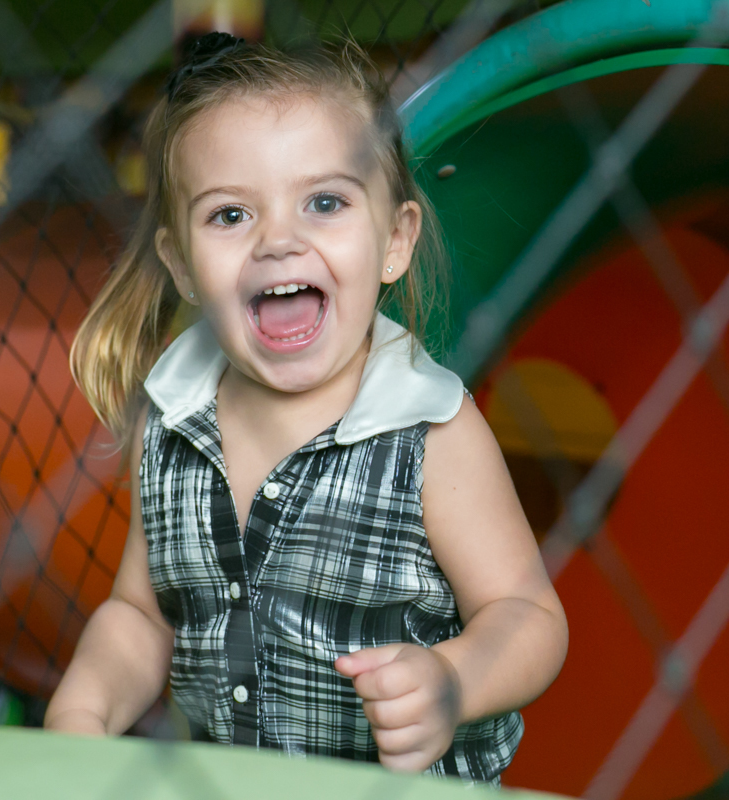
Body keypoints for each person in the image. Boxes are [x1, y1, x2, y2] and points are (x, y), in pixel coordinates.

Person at [45, 33, 568, 787]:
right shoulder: (173, 417)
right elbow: (141, 615)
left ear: (394, 240)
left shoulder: (427, 432)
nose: (279, 241)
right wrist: (79, 718)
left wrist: (452, 681)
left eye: (325, 202)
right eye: (230, 216)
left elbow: (528, 615)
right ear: (181, 265)